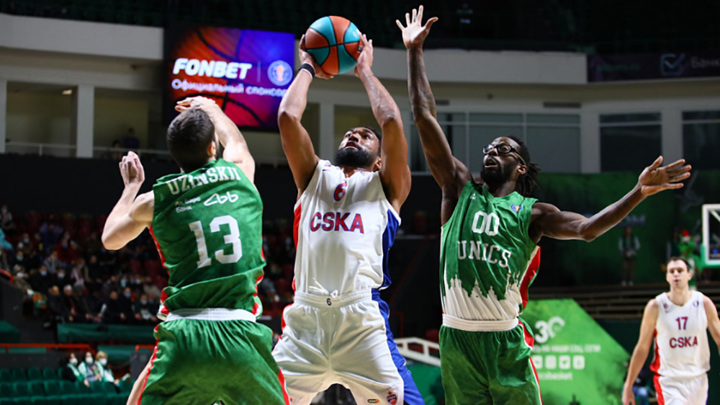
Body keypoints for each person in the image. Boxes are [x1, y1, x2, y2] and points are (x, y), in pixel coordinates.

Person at [397, 6, 693, 404]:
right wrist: (414, 52)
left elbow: (588, 229)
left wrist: (638, 191)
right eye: (488, 147)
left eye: (502, 149)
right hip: (457, 338)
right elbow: (422, 113)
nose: (491, 151)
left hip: (504, 341)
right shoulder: (457, 189)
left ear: (519, 167)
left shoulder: (533, 213)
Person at [101, 96, 288, 404]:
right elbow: (237, 143)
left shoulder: (155, 200)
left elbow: (110, 238)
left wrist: (131, 187)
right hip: (242, 335)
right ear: (212, 148)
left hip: (184, 337)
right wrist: (211, 108)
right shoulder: (241, 175)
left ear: (175, 156)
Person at [271, 33, 422, 405]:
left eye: (365, 136)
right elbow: (288, 117)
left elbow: (390, 121)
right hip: (304, 322)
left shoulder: (387, 186)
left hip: (360, 323)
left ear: (380, 160)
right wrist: (307, 65)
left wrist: (364, 71)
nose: (355, 133)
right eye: (350, 133)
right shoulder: (314, 175)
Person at [622, 257, 720, 405]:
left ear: (689, 275)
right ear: (667, 277)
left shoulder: (704, 304)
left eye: (680, 270)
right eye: (671, 271)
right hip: (669, 381)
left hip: (698, 378)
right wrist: (628, 385)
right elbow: (642, 348)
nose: (676, 274)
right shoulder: (656, 306)